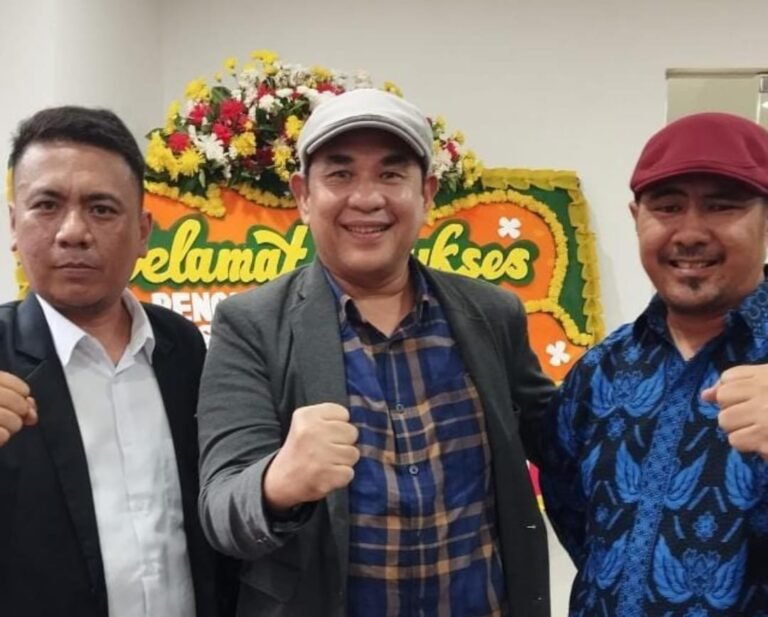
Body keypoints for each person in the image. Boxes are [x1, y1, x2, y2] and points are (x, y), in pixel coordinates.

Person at [197, 88, 555, 617]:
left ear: (426, 193)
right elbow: (221, 509)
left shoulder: (492, 314)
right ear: (303, 196)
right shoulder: (251, 325)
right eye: (340, 174)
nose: (366, 198)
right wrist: (278, 483)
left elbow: (565, 445)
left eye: (390, 174)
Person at [0, 106, 236, 617]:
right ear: (14, 224)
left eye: (102, 209)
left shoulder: (183, 346)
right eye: (47, 205)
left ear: (143, 231)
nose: (73, 232)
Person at [541, 112, 768, 616]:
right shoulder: (598, 372)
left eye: (722, 206)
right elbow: (578, 522)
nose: (690, 232)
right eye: (667, 207)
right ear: (636, 217)